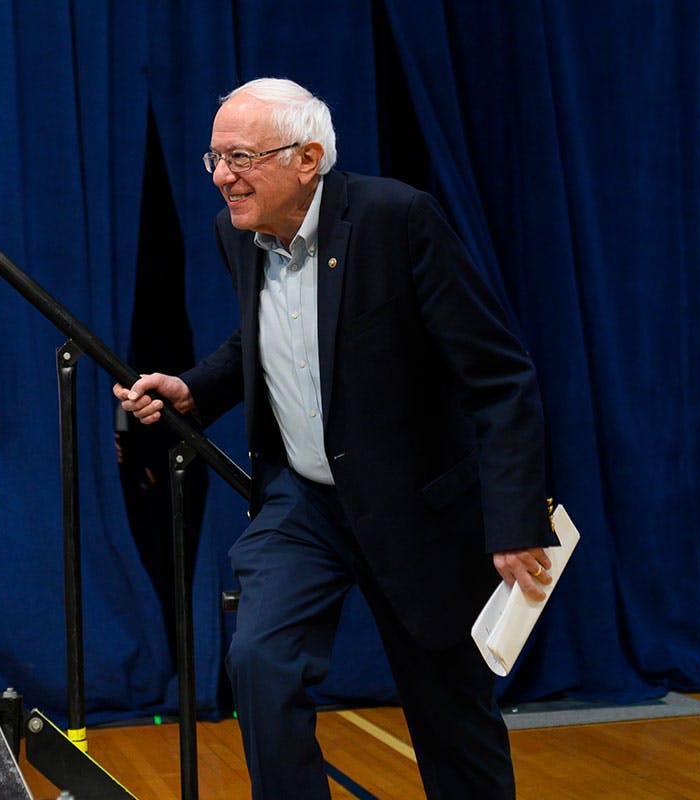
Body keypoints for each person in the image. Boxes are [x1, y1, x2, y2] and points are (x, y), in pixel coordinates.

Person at [114, 77, 558, 800]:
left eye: (241, 157)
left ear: (307, 158)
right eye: (215, 158)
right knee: (259, 662)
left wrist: (513, 521)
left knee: (454, 723)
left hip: (413, 506)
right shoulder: (239, 231)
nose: (223, 176)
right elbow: (264, 340)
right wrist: (196, 388)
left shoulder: (398, 219)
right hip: (303, 504)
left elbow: (500, 378)